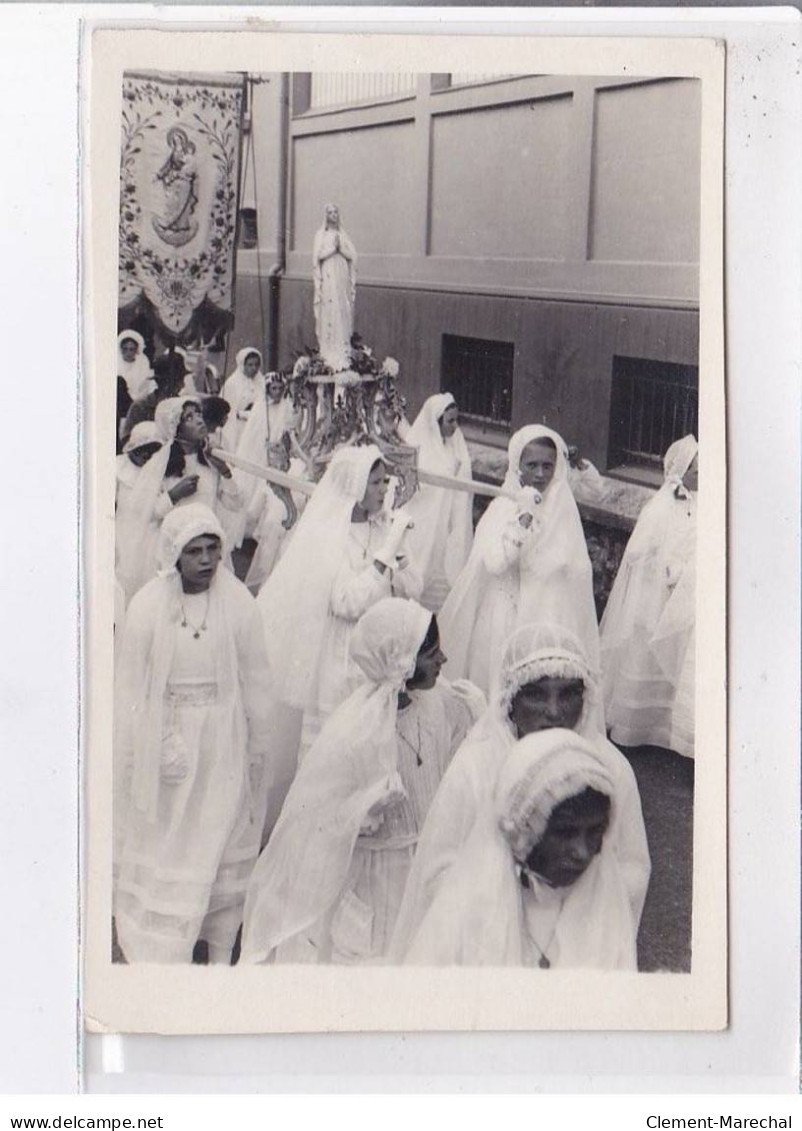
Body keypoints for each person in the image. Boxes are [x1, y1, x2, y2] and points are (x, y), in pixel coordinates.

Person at [240, 597, 485, 965]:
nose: (443, 660)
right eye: (431, 652)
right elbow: (316, 822)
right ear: (399, 659)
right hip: (377, 877)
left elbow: (460, 759)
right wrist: (363, 811)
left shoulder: (437, 704)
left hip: (426, 863)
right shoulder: (357, 732)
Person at [390, 621, 650, 961]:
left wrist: (580, 907)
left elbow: (633, 865)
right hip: (489, 943)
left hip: (580, 939)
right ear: (511, 698)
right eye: (537, 694)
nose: (554, 711)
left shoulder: (610, 767)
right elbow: (439, 868)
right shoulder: (478, 764)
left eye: (568, 694)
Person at [113, 504, 272, 964]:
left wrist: (256, 745)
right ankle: (166, 944)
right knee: (175, 833)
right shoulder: (148, 606)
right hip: (171, 734)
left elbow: (257, 679)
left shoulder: (239, 603)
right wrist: (155, 742)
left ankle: (219, 937)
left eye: (213, 549)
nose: (205, 560)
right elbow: (133, 689)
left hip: (221, 737)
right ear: (175, 556)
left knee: (216, 829)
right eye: (194, 552)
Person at [400, 728, 639, 969]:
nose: (583, 852)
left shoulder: (603, 900)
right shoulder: (468, 912)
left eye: (595, 832)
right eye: (565, 833)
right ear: (522, 833)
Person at [257, 444, 423, 784]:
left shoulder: (383, 527)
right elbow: (347, 602)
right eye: (375, 483)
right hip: (343, 654)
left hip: (382, 650)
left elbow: (413, 588)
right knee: (338, 749)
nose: (384, 489)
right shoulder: (329, 537)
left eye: (384, 481)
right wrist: (385, 554)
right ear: (355, 487)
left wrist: (399, 551)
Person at [439, 424, 599, 697]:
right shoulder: (504, 506)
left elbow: (577, 568)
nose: (540, 474)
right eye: (532, 465)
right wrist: (523, 518)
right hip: (505, 618)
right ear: (517, 465)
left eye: (548, 466)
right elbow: (495, 562)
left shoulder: (560, 509)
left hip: (549, 618)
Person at [600, 435, 698, 759]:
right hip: (652, 592)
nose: (701, 475)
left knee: (670, 653)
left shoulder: (697, 504)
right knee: (643, 652)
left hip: (679, 592)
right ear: (681, 471)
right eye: (696, 469)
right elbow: (640, 552)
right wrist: (667, 566)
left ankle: (659, 727)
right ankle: (633, 726)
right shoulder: (660, 508)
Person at [116, 397, 242, 600]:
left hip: (206, 547)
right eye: (189, 418)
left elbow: (235, 504)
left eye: (199, 414)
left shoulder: (211, 460)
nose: (199, 420)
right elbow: (145, 513)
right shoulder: (160, 465)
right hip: (173, 551)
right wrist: (173, 495)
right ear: (175, 428)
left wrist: (225, 472)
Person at [404, 393, 474, 612]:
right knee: (422, 563)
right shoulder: (419, 445)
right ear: (435, 423)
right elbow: (418, 486)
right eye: (449, 421)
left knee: (444, 566)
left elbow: (463, 474)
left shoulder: (455, 443)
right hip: (425, 519)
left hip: (447, 518)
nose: (454, 426)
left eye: (456, 420)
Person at [312, 203, 357, 373]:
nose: (334, 215)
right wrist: (333, 250)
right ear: (326, 215)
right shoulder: (321, 235)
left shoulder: (343, 235)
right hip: (328, 274)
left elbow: (352, 256)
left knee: (342, 308)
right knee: (329, 309)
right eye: (330, 212)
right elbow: (317, 257)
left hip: (341, 274)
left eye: (336, 212)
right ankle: (329, 350)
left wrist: (341, 251)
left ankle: (343, 347)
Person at [121, 351, 187, 445]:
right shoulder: (141, 407)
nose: (183, 385)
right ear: (166, 384)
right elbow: (127, 440)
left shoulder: (183, 406)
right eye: (180, 381)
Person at [221, 348, 264, 451]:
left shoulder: (261, 381)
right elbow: (228, 411)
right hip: (239, 427)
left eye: (256, 364)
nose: (254, 368)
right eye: (250, 365)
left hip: (257, 425)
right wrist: (244, 414)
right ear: (242, 365)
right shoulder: (232, 384)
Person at [117, 331, 155, 403]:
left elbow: (146, 386)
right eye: (125, 349)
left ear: (136, 350)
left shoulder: (143, 363)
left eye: (131, 349)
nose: (128, 353)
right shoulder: (116, 362)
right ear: (121, 349)